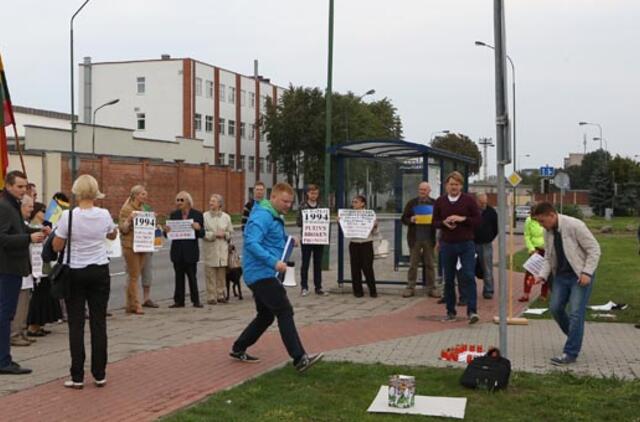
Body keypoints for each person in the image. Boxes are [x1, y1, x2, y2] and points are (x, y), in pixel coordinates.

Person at [230, 182, 323, 372]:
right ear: (273, 198)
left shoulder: (272, 215)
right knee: (284, 311)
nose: (288, 205)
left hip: (264, 273)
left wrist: (289, 240)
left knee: (265, 316)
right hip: (261, 274)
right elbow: (252, 243)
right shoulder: (262, 216)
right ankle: (299, 358)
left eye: (290, 202)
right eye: (285, 201)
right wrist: (273, 262)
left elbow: (272, 238)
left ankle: (239, 348)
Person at [52, 174, 118, 388]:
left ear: (76, 191)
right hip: (99, 269)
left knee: (76, 324)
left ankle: (77, 375)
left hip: (76, 270)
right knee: (99, 323)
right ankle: (100, 373)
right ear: (95, 191)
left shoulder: (68, 216)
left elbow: (58, 246)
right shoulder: (104, 214)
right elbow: (111, 235)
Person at [532, 202, 601, 365]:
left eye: (542, 221)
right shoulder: (547, 231)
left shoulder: (575, 225)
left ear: (552, 215)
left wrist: (587, 272)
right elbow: (549, 257)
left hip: (579, 275)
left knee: (576, 313)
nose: (541, 225)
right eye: (539, 222)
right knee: (555, 308)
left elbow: (594, 249)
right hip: (561, 277)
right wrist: (542, 275)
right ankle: (574, 337)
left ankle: (570, 353)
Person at [0, 171, 47, 375]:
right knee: (4, 314)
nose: (23, 190)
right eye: (19, 186)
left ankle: (5, 358)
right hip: (7, 268)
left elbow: (17, 230)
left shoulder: (13, 206)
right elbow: (3, 238)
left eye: (25, 186)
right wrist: (29, 239)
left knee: (6, 314)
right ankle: (3, 361)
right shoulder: (4, 206)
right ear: (8, 185)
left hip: (14, 267)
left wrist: (35, 231)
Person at [433, 171, 482, 324]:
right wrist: (443, 223)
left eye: (456, 184)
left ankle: (472, 311)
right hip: (447, 244)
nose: (453, 187)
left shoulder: (469, 200)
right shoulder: (440, 201)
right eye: (451, 184)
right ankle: (450, 311)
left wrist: (462, 219)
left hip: (466, 243)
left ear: (461, 185)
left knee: (468, 275)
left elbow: (478, 220)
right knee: (448, 279)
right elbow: (434, 221)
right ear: (446, 185)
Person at [26, 202, 63, 337]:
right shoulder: (31, 228)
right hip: (37, 267)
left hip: (45, 266)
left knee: (46, 295)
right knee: (39, 297)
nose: (45, 214)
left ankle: (40, 323)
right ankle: (33, 326)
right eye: (42, 211)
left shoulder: (42, 227)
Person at [165, 191, 204, 308]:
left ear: (188, 201)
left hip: (190, 251)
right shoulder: (174, 215)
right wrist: (166, 231)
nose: (179, 202)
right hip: (177, 251)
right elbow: (169, 234)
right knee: (178, 277)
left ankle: (195, 300)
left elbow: (202, 233)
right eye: (177, 200)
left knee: (192, 277)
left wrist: (198, 228)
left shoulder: (197, 214)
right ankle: (179, 301)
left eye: (181, 200)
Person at [401, 181, 439, 298]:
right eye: (420, 189)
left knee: (430, 265)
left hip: (429, 239)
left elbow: (439, 219)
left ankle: (432, 288)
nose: (422, 192)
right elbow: (404, 218)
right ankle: (410, 287)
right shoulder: (412, 203)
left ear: (429, 191)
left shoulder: (435, 203)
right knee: (413, 264)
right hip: (415, 239)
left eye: (424, 190)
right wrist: (410, 219)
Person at [10, 194, 37, 347]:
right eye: (29, 206)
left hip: (26, 269)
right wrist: (30, 238)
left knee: (25, 303)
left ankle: (21, 331)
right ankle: (15, 334)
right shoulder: (14, 222)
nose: (31, 209)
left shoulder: (22, 223)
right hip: (17, 268)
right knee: (19, 304)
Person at [118, 185, 148, 315]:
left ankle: (129, 305)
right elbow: (122, 228)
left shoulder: (142, 209)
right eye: (142, 194)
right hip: (130, 245)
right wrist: (129, 220)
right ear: (135, 195)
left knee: (134, 275)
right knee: (134, 275)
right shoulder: (126, 209)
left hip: (142, 244)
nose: (145, 196)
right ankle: (137, 304)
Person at [296, 184, 328, 297]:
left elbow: (325, 221)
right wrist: (307, 222)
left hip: (319, 238)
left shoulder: (322, 206)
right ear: (307, 194)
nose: (314, 195)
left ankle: (318, 287)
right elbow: (298, 222)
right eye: (311, 193)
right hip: (307, 238)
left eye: (316, 193)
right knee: (305, 263)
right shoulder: (302, 206)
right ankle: (304, 287)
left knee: (317, 264)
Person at [203, 194, 233, 304]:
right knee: (210, 273)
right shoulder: (205, 216)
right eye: (210, 201)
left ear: (220, 204)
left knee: (221, 274)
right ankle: (211, 296)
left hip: (222, 249)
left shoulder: (226, 217)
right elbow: (202, 233)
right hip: (211, 248)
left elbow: (230, 232)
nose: (211, 203)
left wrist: (225, 234)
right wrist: (214, 234)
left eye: (214, 201)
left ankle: (220, 294)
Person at [347, 195, 378, 298]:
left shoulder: (369, 214)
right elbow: (346, 230)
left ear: (362, 203)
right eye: (353, 202)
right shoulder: (349, 215)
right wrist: (341, 222)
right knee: (355, 268)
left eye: (356, 202)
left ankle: (372, 290)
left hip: (366, 243)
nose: (354, 204)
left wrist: (375, 226)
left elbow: (376, 232)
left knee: (367, 267)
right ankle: (357, 291)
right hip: (354, 243)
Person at [518, 210, 549, 302]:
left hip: (547, 250)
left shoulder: (545, 220)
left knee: (546, 272)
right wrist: (531, 249)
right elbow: (527, 236)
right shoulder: (528, 221)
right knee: (530, 272)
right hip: (535, 250)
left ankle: (544, 294)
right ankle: (526, 294)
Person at [473, 193, 498, 299]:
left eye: (485, 202)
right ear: (477, 201)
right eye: (481, 203)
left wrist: (489, 238)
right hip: (472, 243)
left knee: (487, 268)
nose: (483, 205)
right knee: (470, 267)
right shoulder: (472, 211)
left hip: (485, 244)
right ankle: (470, 290)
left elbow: (496, 228)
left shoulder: (491, 212)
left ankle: (488, 290)